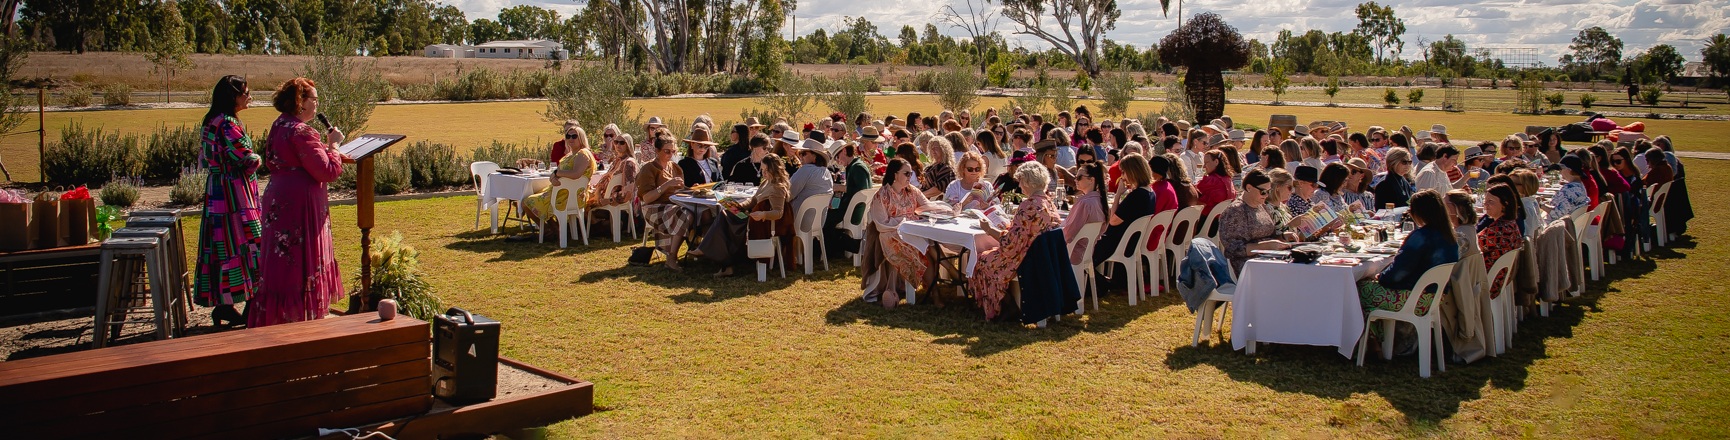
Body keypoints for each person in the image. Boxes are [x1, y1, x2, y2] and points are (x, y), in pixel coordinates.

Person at [253, 77, 348, 328]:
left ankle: (279, 314)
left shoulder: (279, 125)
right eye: (313, 99)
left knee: (280, 261)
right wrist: (334, 146)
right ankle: (301, 318)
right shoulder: (301, 131)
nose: (316, 105)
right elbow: (327, 171)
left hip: (279, 197)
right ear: (300, 102)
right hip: (299, 205)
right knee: (298, 260)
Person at [193, 75, 262, 327]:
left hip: (216, 194)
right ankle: (252, 302)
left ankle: (224, 305)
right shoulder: (228, 124)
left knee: (221, 246)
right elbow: (246, 158)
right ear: (233, 96)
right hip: (235, 194)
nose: (249, 96)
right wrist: (259, 158)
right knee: (248, 242)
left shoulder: (210, 121)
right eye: (246, 92)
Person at [969, 162, 1064, 320]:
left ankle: (1004, 305)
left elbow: (1010, 245)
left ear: (1027, 182)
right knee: (987, 255)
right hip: (1042, 256)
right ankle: (1004, 303)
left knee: (981, 260)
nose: (1019, 186)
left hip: (1025, 257)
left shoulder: (1029, 206)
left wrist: (989, 229)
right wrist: (1010, 228)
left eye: (1020, 182)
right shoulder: (1049, 203)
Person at [1356, 189, 1460, 320]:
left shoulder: (1421, 236)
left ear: (1420, 212)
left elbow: (1398, 272)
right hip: (1434, 297)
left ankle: (1368, 337)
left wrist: (1380, 277)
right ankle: (1381, 335)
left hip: (1413, 298)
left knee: (1357, 289)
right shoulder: (1449, 236)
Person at [863, 159, 944, 308]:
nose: (910, 177)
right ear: (895, 174)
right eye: (906, 173)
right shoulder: (882, 195)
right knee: (922, 250)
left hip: (912, 233)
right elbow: (882, 224)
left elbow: (927, 206)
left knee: (929, 244)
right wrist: (906, 220)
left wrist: (945, 208)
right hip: (891, 236)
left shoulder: (912, 191)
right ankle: (936, 292)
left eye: (911, 173)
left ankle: (936, 290)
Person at [701, 154, 794, 277]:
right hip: (753, 217)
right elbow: (753, 200)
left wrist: (763, 214)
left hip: (759, 223)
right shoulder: (766, 182)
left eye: (766, 170)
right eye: (762, 170)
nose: (763, 173)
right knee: (726, 213)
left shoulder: (777, 188)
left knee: (725, 219)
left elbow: (778, 213)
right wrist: (740, 206)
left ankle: (716, 257)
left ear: (774, 170)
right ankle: (723, 262)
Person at [1092, 154, 1160, 291]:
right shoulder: (1149, 192)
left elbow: (1113, 220)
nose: (1122, 175)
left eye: (1124, 172)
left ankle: (1103, 285)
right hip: (1129, 241)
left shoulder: (1137, 196)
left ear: (1133, 172)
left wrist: (1118, 195)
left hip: (1116, 242)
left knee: (1085, 256)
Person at [521, 124, 597, 237]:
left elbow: (576, 174)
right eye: (568, 136)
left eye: (574, 136)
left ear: (581, 137)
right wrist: (553, 177)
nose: (570, 139)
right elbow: (557, 172)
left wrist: (557, 174)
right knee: (532, 196)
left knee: (526, 202)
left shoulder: (583, 154)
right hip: (562, 191)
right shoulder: (570, 155)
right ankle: (553, 229)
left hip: (570, 195)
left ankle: (551, 230)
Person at [1218, 170, 1298, 272]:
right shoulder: (1235, 211)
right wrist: (1265, 246)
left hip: (1269, 258)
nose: (1266, 195)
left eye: (1269, 191)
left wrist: (1283, 237)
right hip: (1249, 265)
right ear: (1249, 188)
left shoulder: (1262, 206)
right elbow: (1233, 250)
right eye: (1263, 192)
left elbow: (1270, 236)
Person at [636, 134, 691, 271]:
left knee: (697, 211)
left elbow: (680, 190)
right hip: (653, 206)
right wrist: (667, 185)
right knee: (683, 214)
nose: (670, 154)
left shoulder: (675, 167)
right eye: (667, 151)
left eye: (673, 151)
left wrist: (690, 190)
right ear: (657, 150)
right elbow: (647, 198)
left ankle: (699, 250)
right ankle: (671, 257)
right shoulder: (649, 169)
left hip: (673, 204)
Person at [1478, 183, 1524, 293]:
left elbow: (1469, 248)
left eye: (1491, 202)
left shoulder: (1499, 231)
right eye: (1485, 201)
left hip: (1490, 281)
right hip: (1502, 278)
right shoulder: (1510, 224)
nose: (1486, 205)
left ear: (1505, 204)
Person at [1063, 161, 1109, 247]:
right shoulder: (1100, 200)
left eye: (1079, 177)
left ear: (1091, 180)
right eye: (1076, 176)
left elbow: (1068, 234)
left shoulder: (1085, 203)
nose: (1075, 180)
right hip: (1089, 252)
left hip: (1074, 253)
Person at [1549, 155, 1593, 223]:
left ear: (1569, 170)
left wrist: (1540, 204)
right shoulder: (1579, 185)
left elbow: (1557, 214)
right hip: (1571, 225)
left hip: (1561, 228)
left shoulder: (1569, 189)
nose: (1560, 172)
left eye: (1561, 169)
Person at [1444, 190, 1480, 255]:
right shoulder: (1469, 229)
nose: (1442, 207)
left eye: (1445, 204)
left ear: (1459, 208)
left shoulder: (1460, 235)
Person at [921, 135, 957, 200]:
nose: (933, 150)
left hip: (936, 202)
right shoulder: (930, 167)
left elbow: (939, 189)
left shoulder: (946, 168)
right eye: (931, 148)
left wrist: (920, 195)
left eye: (936, 148)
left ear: (943, 149)